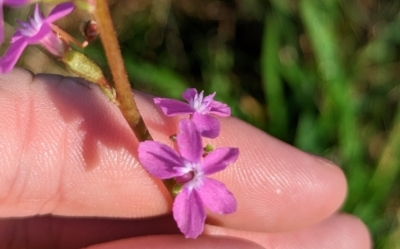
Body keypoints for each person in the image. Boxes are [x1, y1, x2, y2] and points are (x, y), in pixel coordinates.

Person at [0, 69, 371, 249]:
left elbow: (207, 164)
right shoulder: (187, 142)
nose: (194, 169)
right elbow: (154, 150)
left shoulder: (198, 148)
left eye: (197, 167)